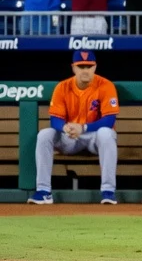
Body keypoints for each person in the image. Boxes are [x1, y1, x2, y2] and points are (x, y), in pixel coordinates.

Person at [30, 51, 119, 205]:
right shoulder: (62, 87)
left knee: (107, 133)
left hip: (93, 137)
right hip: (70, 137)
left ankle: (108, 191)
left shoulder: (106, 85)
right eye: (81, 66)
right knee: (45, 135)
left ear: (95, 67)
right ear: (73, 68)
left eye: (89, 66)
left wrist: (83, 128)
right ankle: (43, 191)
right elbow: (55, 119)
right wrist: (65, 127)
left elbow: (109, 120)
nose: (85, 70)